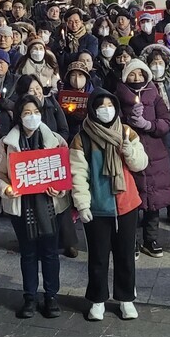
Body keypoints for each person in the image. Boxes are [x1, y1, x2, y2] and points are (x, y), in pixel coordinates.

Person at [0, 94, 72, 319]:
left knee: (50, 253)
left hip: (50, 205)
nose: (32, 117)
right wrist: (6, 188)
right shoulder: (7, 143)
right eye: (26, 113)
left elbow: (66, 171)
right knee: (28, 254)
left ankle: (51, 296)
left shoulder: (55, 140)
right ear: (18, 117)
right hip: (20, 206)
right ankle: (30, 297)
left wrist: (60, 189)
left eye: (35, 113)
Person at [69, 90, 147, 321]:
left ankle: (126, 299)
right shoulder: (82, 138)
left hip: (126, 204)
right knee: (98, 256)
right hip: (98, 206)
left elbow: (141, 163)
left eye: (110, 105)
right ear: (93, 109)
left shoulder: (125, 132)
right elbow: (78, 174)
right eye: (101, 106)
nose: (106, 110)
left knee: (125, 254)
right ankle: (97, 299)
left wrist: (129, 152)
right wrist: (82, 204)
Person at [115, 58, 170, 258]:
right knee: (132, 199)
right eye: (132, 74)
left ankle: (151, 239)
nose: (137, 77)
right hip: (130, 153)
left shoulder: (155, 96)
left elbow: (166, 122)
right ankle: (132, 240)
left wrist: (148, 124)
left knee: (153, 201)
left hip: (155, 154)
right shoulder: (119, 97)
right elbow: (113, 123)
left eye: (140, 74)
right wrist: (128, 121)